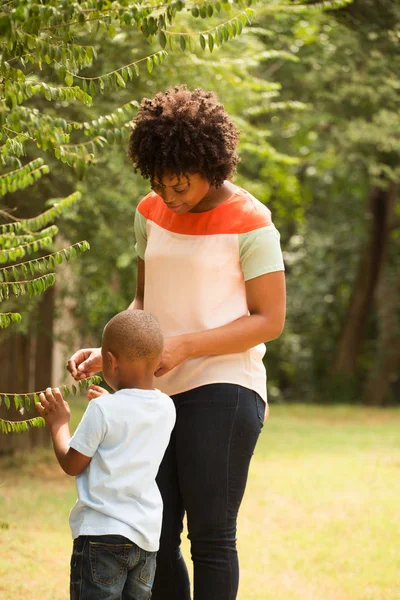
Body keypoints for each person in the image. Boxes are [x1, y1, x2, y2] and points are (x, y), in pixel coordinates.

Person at [67, 86, 286, 600]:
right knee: (154, 535)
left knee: (210, 538)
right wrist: (113, 352)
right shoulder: (150, 212)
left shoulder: (253, 222)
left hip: (225, 388)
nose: (169, 195)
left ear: (212, 163)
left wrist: (185, 347)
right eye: (160, 183)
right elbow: (146, 302)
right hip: (149, 395)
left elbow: (269, 319)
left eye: (180, 184)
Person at [37, 309, 176, 600]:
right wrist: (112, 403)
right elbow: (132, 423)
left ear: (110, 361)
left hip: (101, 536)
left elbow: (72, 463)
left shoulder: (103, 410)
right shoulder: (166, 407)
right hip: (146, 540)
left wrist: (59, 423)